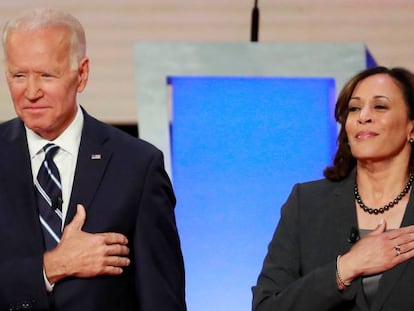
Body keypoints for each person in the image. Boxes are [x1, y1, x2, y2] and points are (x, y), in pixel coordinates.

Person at [0, 8, 186, 311]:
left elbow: (162, 298)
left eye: (47, 75)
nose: (31, 92)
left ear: (82, 74)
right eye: (19, 75)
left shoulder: (136, 166)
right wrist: (50, 268)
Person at [252, 66, 414, 311]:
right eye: (354, 108)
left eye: (380, 106)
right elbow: (267, 307)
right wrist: (346, 268)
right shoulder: (306, 204)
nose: (363, 116)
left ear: (411, 126)